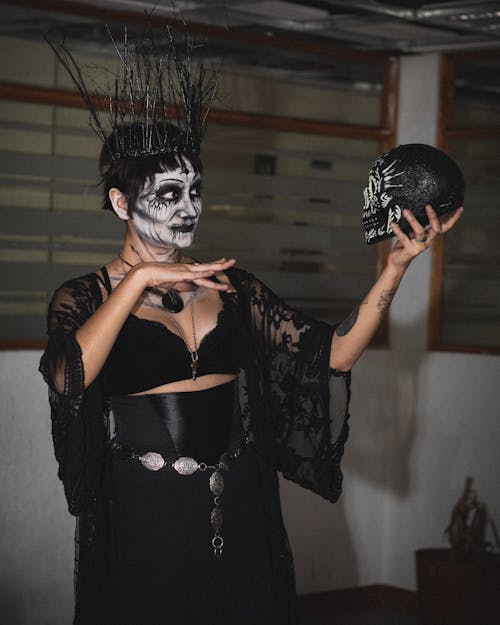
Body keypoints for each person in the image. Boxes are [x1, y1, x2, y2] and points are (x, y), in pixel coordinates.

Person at [40, 28, 463, 625]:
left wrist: (394, 269)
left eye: (195, 190)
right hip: (143, 507)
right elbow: (66, 378)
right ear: (119, 203)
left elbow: (334, 356)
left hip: (236, 500)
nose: (188, 206)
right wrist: (136, 283)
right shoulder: (84, 296)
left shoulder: (232, 288)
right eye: (168, 193)